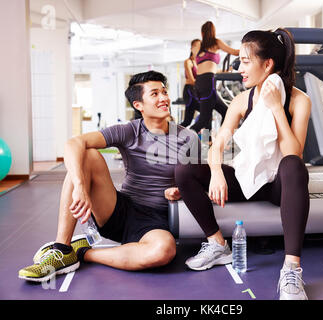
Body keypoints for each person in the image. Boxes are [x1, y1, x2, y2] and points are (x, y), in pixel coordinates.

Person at [18, 71, 200, 282]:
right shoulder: (130, 131)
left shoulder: (188, 138)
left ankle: (81, 253)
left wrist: (181, 191)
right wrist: (80, 185)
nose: (164, 98)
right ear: (138, 105)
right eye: (155, 94)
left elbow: (195, 181)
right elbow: (73, 143)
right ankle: (61, 249)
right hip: (120, 210)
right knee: (86, 154)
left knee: (163, 252)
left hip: (157, 219)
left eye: (165, 92)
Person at [175, 29, 311, 300]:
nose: (240, 67)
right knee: (184, 170)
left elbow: (292, 152)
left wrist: (274, 108)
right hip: (245, 177)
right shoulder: (241, 100)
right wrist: (215, 172)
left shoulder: (298, 100)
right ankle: (217, 244)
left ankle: (292, 270)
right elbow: (219, 143)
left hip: (278, 186)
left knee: (294, 166)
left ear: (267, 64)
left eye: (246, 61)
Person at [190, 21, 239, 134]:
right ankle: (182, 140)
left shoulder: (200, 47)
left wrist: (224, 71)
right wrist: (251, 48)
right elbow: (234, 52)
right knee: (204, 120)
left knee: (225, 111)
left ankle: (218, 141)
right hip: (208, 82)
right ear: (213, 31)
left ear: (202, 33)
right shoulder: (215, 42)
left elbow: (206, 67)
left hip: (199, 82)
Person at [180, 39, 201, 127]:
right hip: (190, 91)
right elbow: (192, 80)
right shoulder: (188, 62)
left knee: (188, 121)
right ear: (192, 48)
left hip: (197, 91)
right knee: (188, 121)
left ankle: (207, 139)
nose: (199, 48)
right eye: (197, 46)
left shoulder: (200, 63)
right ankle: (172, 136)